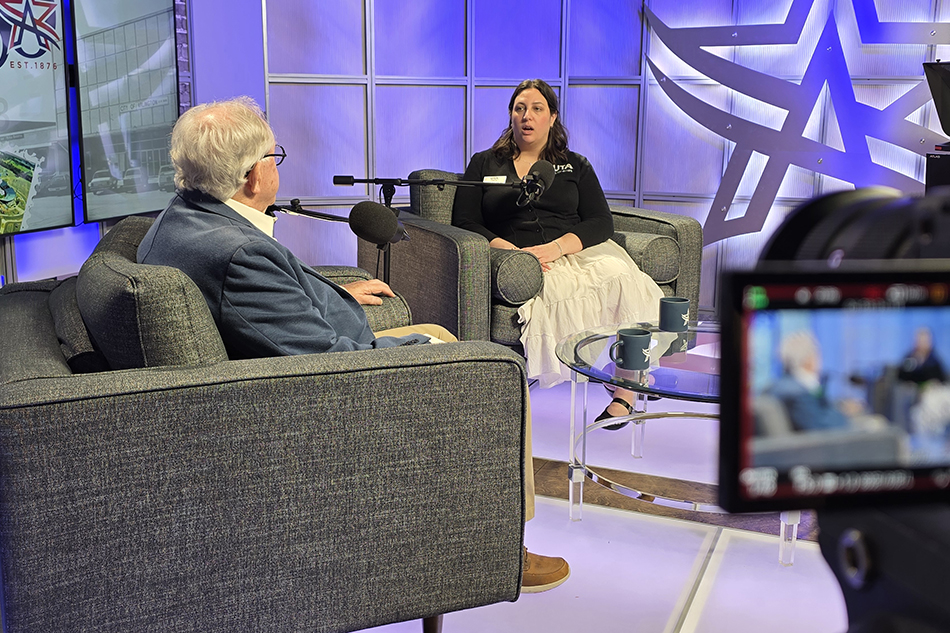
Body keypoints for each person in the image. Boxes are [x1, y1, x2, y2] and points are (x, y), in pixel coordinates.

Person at [136, 97, 569, 593]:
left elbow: (265, 307)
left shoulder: (185, 216)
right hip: (324, 394)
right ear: (254, 177)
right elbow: (332, 363)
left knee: (444, 336)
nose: (276, 168)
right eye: (273, 157)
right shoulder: (241, 256)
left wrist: (334, 291)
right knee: (491, 368)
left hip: (308, 354)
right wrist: (413, 347)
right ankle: (501, 546)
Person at [452, 79, 665, 427]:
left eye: (537, 108)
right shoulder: (484, 164)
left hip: (573, 250)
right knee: (554, 292)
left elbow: (601, 221)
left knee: (624, 279)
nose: (527, 116)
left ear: (552, 117)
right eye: (520, 108)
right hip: (520, 258)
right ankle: (604, 371)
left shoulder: (575, 165)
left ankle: (625, 390)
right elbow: (465, 221)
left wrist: (556, 248)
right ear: (511, 115)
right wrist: (513, 254)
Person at [766, 331, 871, 432]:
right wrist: (845, 414)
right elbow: (826, 428)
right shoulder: (799, 395)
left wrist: (839, 407)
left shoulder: (776, 387)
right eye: (817, 355)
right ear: (809, 360)